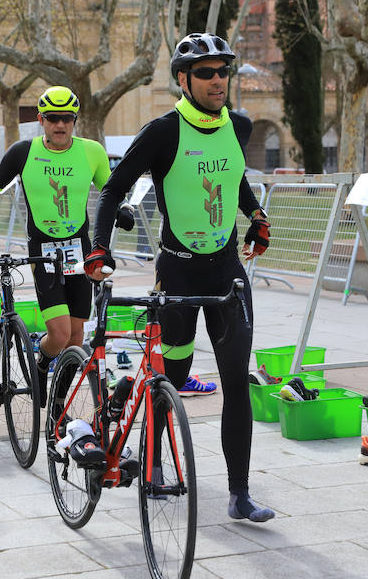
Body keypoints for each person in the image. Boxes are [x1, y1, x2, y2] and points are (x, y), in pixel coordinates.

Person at [84, 33, 274, 523]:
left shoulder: (240, 125)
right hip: (178, 276)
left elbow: (232, 179)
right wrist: (99, 248)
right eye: (206, 72)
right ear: (184, 80)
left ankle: (240, 494)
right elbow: (111, 192)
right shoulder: (163, 132)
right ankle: (152, 466)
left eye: (223, 70)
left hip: (227, 272)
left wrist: (254, 214)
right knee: (170, 380)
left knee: (236, 380)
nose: (218, 80)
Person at [0, 86, 134, 404]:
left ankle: (56, 403)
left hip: (79, 252)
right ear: (41, 119)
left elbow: (109, 189)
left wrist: (123, 208)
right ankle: (41, 360)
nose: (60, 125)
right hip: (43, 251)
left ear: (74, 120)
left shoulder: (91, 152)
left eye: (67, 119)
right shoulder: (23, 152)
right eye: (53, 119)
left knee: (77, 337)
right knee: (59, 334)